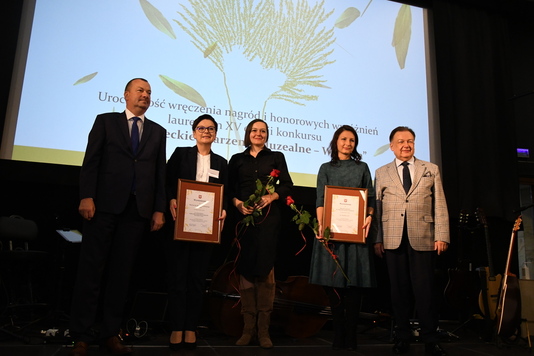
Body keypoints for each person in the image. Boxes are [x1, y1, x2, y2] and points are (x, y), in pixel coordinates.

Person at [69, 78, 166, 356]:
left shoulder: (158, 131)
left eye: (149, 92)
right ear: (126, 95)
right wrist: (86, 195)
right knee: (91, 272)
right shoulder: (105, 121)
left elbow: (159, 174)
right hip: (103, 207)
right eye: (140, 90)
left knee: (121, 276)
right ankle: (81, 335)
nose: (145, 95)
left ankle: (110, 334)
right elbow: (92, 161)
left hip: (137, 212)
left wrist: (158, 208)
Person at [372, 126, 449, 356]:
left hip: (423, 237)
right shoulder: (381, 172)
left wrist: (442, 235)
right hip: (393, 238)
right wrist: (377, 239)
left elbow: (440, 204)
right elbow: (376, 208)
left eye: (410, 141)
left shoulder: (430, 169)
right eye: (401, 141)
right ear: (392, 146)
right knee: (399, 291)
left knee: (425, 291)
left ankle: (430, 339)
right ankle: (402, 337)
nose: (406, 145)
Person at [308, 125, 376, 351]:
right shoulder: (325, 168)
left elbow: (371, 199)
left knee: (354, 286)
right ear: (336, 141)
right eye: (344, 139)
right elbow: (320, 200)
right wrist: (321, 225)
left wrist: (368, 217)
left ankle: (351, 336)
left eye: (352, 140)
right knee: (333, 284)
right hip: (332, 234)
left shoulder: (362, 167)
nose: (348, 143)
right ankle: (339, 333)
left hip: (356, 235)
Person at [228, 119, 293, 349]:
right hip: (244, 222)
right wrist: (237, 204)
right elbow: (229, 190)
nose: (259, 134)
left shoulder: (276, 157)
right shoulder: (237, 159)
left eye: (263, 131)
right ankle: (248, 330)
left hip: (269, 222)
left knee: (266, 271)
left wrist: (271, 197)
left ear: (267, 135)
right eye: (255, 130)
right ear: (248, 134)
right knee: (246, 270)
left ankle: (264, 332)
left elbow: (286, 186)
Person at [165, 114, 228, 350]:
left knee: (197, 279)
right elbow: (168, 182)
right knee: (177, 278)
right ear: (193, 132)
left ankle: (190, 327)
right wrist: (171, 198)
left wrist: (223, 210)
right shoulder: (181, 154)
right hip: (180, 226)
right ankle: (176, 327)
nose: (206, 131)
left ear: (215, 134)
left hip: (205, 230)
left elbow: (224, 192)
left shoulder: (221, 163)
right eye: (201, 128)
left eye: (211, 128)